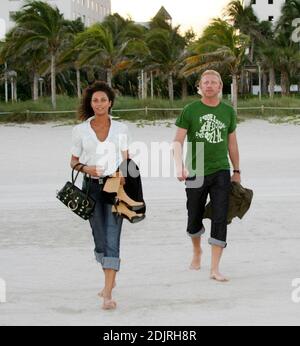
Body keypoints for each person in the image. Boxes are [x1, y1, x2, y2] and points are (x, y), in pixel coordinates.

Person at [173, 70, 241, 282]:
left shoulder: (228, 112)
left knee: (220, 217)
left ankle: (215, 268)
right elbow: (177, 141)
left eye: (214, 82)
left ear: (220, 87)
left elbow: (232, 142)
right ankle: (197, 251)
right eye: (206, 82)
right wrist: (179, 166)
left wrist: (236, 170)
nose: (209, 85)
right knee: (193, 216)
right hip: (196, 169)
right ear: (199, 87)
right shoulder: (190, 110)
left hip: (221, 169)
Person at [70, 81, 130, 310]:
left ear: (110, 103)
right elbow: (73, 161)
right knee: (100, 238)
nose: (99, 104)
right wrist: (87, 169)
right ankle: (109, 278)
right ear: (90, 103)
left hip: (115, 187)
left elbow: (127, 159)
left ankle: (107, 292)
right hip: (91, 188)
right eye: (95, 100)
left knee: (112, 236)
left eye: (103, 100)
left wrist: (123, 175)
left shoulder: (121, 129)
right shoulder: (80, 130)